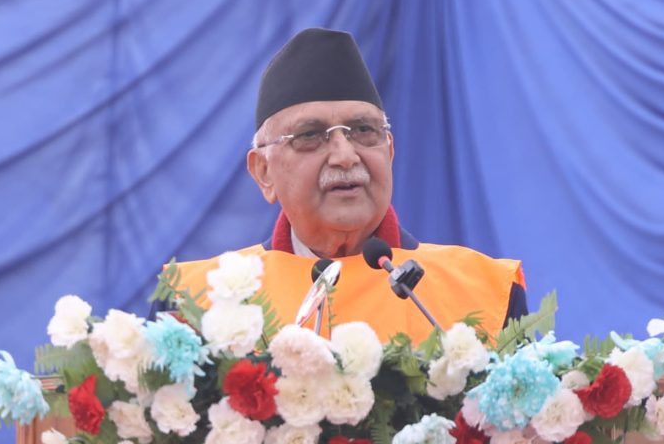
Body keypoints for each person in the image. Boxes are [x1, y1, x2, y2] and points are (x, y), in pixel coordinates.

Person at [168, 28, 526, 342]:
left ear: (390, 151)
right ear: (264, 171)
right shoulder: (198, 301)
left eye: (364, 130)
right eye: (310, 135)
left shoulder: (483, 291)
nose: (345, 156)